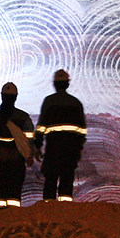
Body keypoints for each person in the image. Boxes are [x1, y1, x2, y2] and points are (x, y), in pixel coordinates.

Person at [34, 69, 87, 201]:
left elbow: (41, 127)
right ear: (67, 84)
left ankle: (49, 206)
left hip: (53, 147)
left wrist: (37, 146)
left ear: (55, 84)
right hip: (71, 148)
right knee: (67, 177)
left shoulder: (49, 102)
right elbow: (82, 130)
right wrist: (79, 148)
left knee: (51, 178)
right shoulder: (76, 103)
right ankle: (65, 208)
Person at [0, 82, 34, 209]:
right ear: (15, 97)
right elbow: (29, 141)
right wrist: (30, 155)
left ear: (2, 96)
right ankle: (13, 215)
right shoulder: (23, 117)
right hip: (16, 159)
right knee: (14, 188)